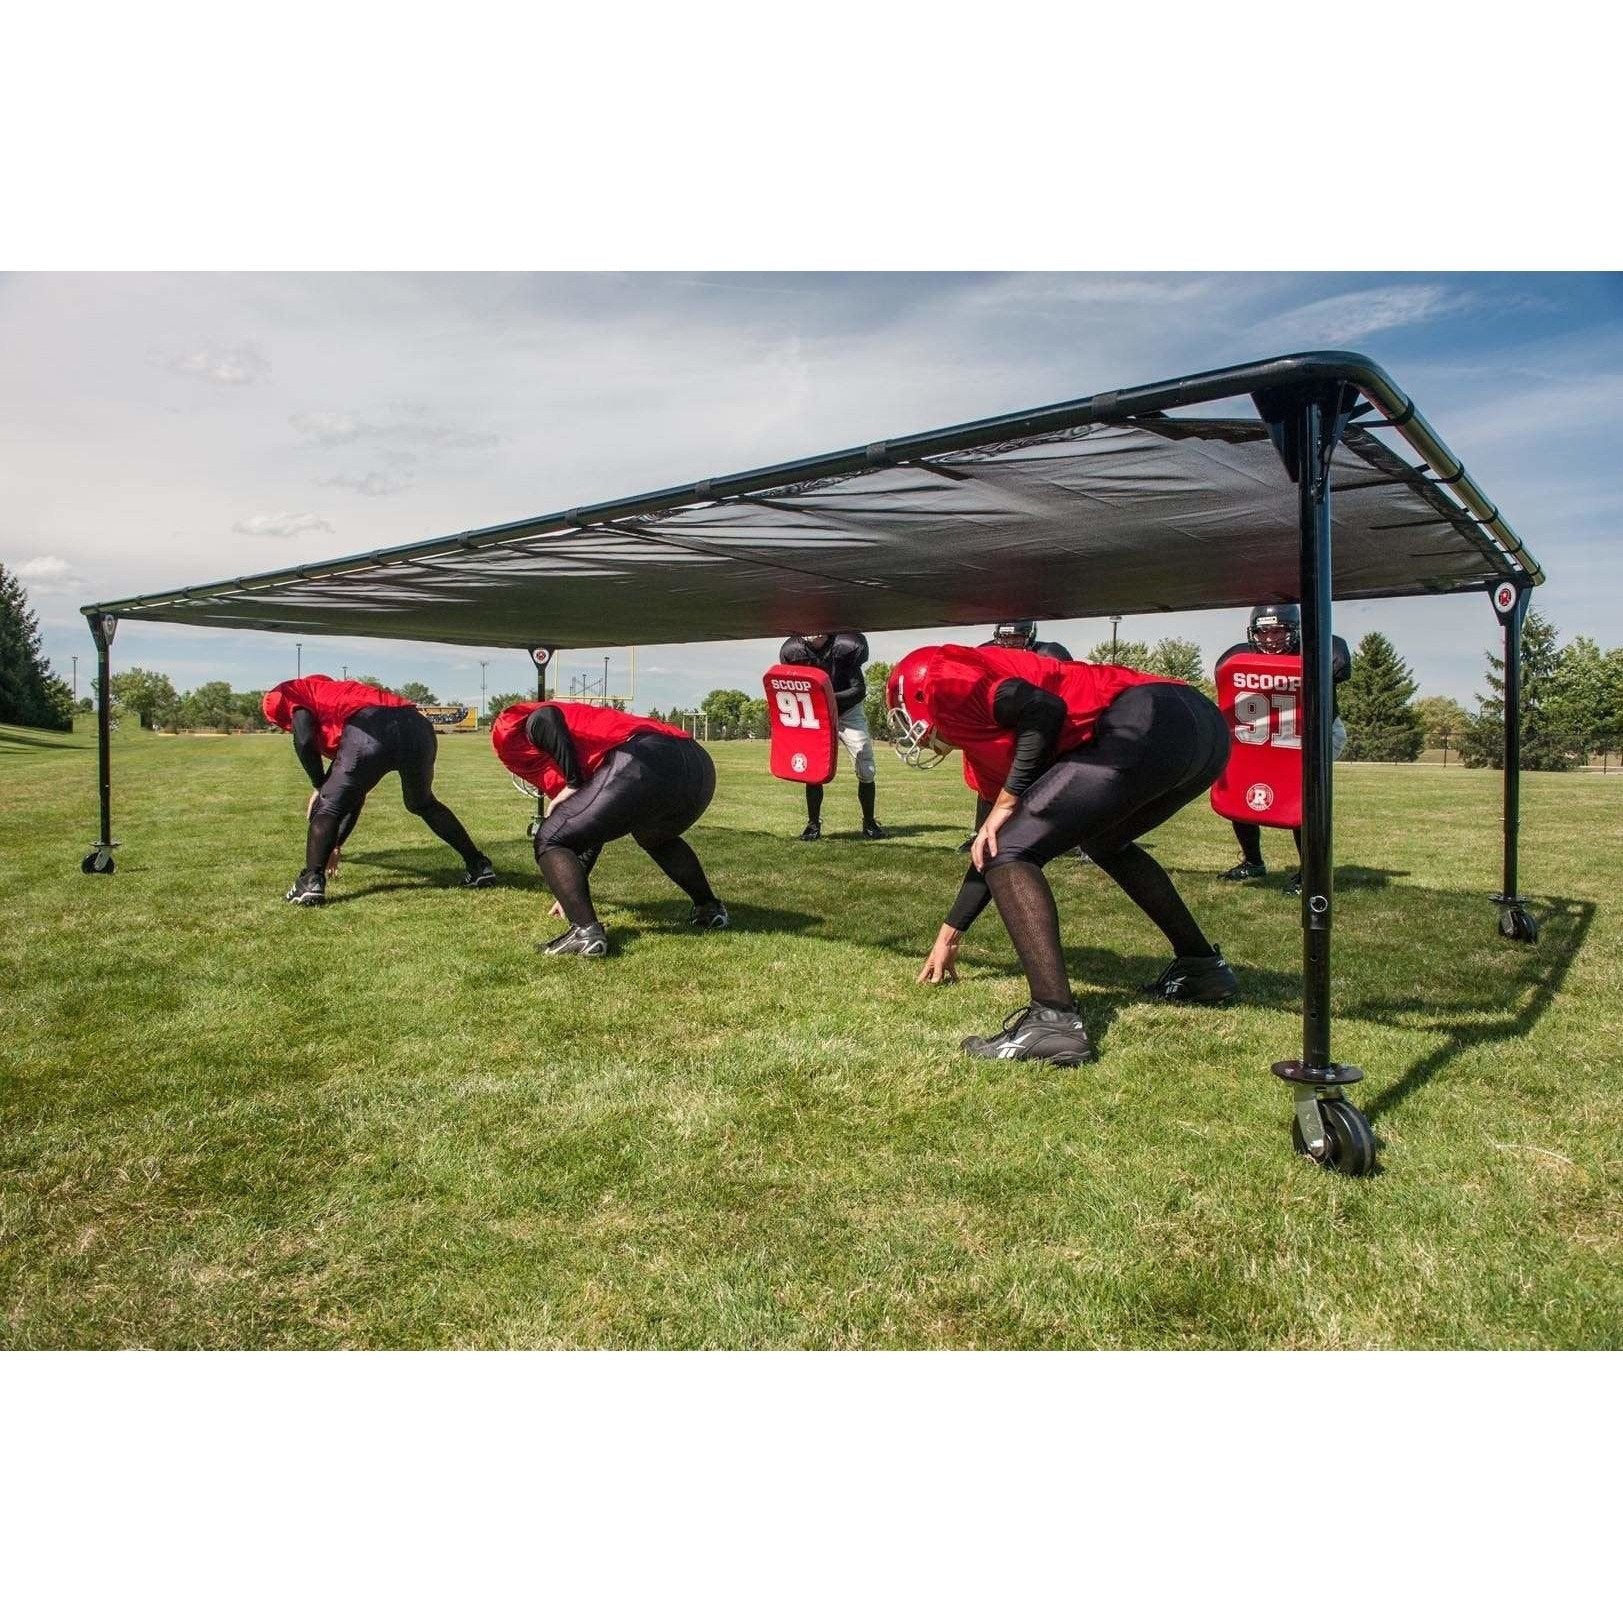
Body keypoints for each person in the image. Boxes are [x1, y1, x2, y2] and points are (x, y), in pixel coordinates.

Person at [888, 643, 1236, 1066]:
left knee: (1013, 849)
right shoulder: (982, 743)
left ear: (918, 694)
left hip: (1144, 717)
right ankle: (1202, 969)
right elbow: (987, 848)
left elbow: (1044, 709)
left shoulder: (946, 680)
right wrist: (949, 935)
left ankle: (1053, 1022)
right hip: (1199, 729)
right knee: (1103, 842)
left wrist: (1007, 802)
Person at [492, 699, 727, 958]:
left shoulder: (509, 729)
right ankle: (708, 908)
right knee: (654, 836)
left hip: (644, 756)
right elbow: (591, 832)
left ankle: (585, 933)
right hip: (696, 764)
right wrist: (569, 893)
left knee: (549, 838)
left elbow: (544, 716)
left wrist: (572, 782)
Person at [262, 674, 494, 906]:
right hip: (417, 726)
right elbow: (355, 796)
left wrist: (318, 783)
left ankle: (311, 880)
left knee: (328, 807)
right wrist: (336, 842)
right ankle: (479, 865)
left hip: (370, 728)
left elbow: (304, 739)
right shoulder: (342, 692)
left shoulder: (295, 693)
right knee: (422, 802)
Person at [1217, 604, 1352, 896]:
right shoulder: (1239, 655)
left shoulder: (1319, 647)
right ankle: (1253, 862)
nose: (1270, 639)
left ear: (1295, 631)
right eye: (1264, 632)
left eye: (1278, 631)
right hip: (1266, 735)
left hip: (1316, 732)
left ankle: (1310, 872)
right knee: (1241, 787)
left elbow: (1336, 654)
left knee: (1300, 796)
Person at [958, 621, 1074, 852]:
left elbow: (1067, 689)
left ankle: (1078, 838)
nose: (1010, 642)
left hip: (1041, 722)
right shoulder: (985, 652)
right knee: (986, 776)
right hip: (1001, 724)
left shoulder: (1049, 653)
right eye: (1006, 637)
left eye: (1016, 637)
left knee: (1060, 779)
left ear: (1030, 636)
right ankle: (980, 832)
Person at [778, 631, 885, 840]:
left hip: (848, 712)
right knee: (813, 768)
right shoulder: (795, 652)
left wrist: (825, 695)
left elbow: (858, 690)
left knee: (866, 765)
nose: (813, 631)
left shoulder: (843, 649)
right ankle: (813, 824)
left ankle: (869, 822)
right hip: (817, 712)